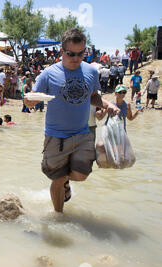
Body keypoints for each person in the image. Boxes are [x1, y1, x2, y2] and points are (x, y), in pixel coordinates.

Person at [24, 28, 120, 213]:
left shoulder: (91, 71)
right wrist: (29, 101)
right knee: (57, 179)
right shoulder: (48, 74)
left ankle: (65, 180)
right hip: (55, 136)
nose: (76, 58)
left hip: (82, 133)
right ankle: (58, 216)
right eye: (70, 54)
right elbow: (32, 99)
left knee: (82, 175)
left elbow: (93, 97)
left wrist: (107, 104)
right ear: (62, 51)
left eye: (80, 53)